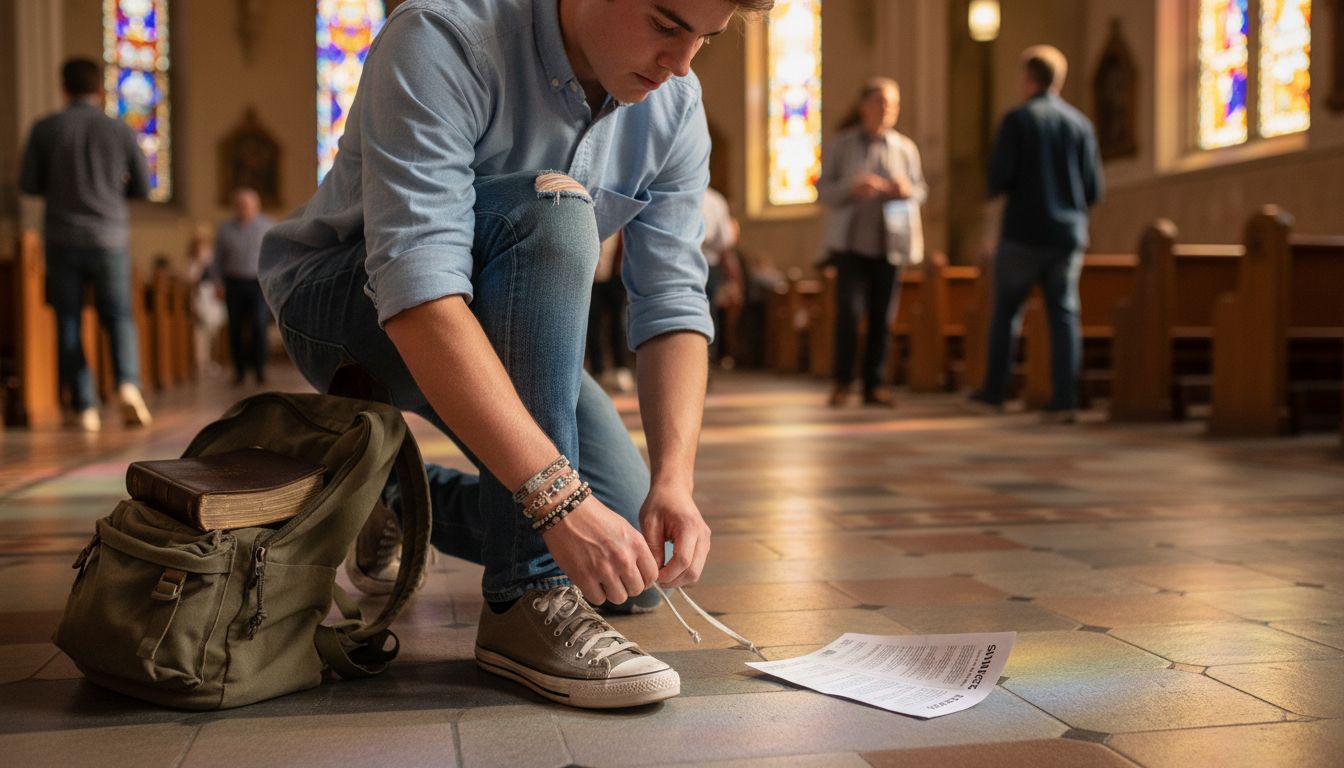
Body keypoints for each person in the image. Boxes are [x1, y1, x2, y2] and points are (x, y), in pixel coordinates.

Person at [259, 0, 773, 709]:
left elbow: (674, 306)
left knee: (631, 557)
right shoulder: (443, 37)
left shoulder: (674, 104)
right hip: (349, 311)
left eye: (705, 41)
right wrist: (559, 507)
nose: (680, 64)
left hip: (502, 324)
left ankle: (390, 501)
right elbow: (419, 293)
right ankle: (525, 600)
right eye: (665, 25)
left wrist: (674, 483)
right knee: (555, 211)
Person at [19, 57, 153, 432]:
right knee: (120, 317)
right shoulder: (120, 130)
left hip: (62, 238)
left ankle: (85, 407)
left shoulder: (46, 128)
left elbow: (28, 184)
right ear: (100, 89)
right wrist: (109, 191)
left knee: (69, 320)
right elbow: (142, 187)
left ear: (63, 87)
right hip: (109, 236)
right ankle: (127, 385)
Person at [971, 46, 1103, 422]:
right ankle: (1064, 399)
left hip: (1024, 233)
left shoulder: (1018, 120)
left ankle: (994, 392)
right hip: (1066, 234)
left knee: (1007, 312)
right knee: (1063, 314)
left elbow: (998, 179)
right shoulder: (1081, 124)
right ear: (1059, 80)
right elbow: (1094, 190)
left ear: (1028, 78)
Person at [816, 77, 926, 408]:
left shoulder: (905, 148)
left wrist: (907, 190)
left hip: (889, 244)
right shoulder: (840, 144)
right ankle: (841, 383)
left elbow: (921, 190)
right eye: (880, 102)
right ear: (864, 106)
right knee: (848, 315)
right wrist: (853, 187)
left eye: (892, 103)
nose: (887, 109)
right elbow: (823, 191)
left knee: (883, 318)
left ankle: (874, 385)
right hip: (849, 245)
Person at [214, 187, 274, 386]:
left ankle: (259, 369)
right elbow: (217, 260)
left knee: (259, 324)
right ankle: (239, 370)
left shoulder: (267, 226)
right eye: (239, 205)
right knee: (235, 327)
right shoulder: (225, 229)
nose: (243, 208)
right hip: (234, 283)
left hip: (258, 284)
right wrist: (218, 283)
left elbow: (276, 257)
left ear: (256, 206)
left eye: (247, 205)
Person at [586, 234, 635, 393]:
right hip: (592, 278)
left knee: (617, 324)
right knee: (592, 325)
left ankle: (621, 368)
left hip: (615, 277)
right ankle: (598, 370)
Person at [184, 226, 227, 378]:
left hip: (213, 298)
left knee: (214, 332)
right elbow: (190, 279)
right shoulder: (194, 260)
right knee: (201, 333)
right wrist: (200, 264)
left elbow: (219, 276)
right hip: (200, 298)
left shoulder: (214, 258)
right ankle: (201, 362)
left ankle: (212, 361)